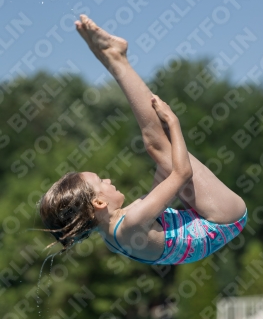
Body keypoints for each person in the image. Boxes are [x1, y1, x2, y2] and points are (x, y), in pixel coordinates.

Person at [39, 15, 247, 266]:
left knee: (155, 147)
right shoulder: (133, 220)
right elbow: (182, 173)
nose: (108, 179)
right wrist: (173, 123)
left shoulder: (111, 232)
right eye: (100, 181)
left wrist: (162, 168)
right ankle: (115, 58)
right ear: (99, 202)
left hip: (203, 221)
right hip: (222, 218)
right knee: (160, 142)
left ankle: (113, 58)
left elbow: (160, 205)